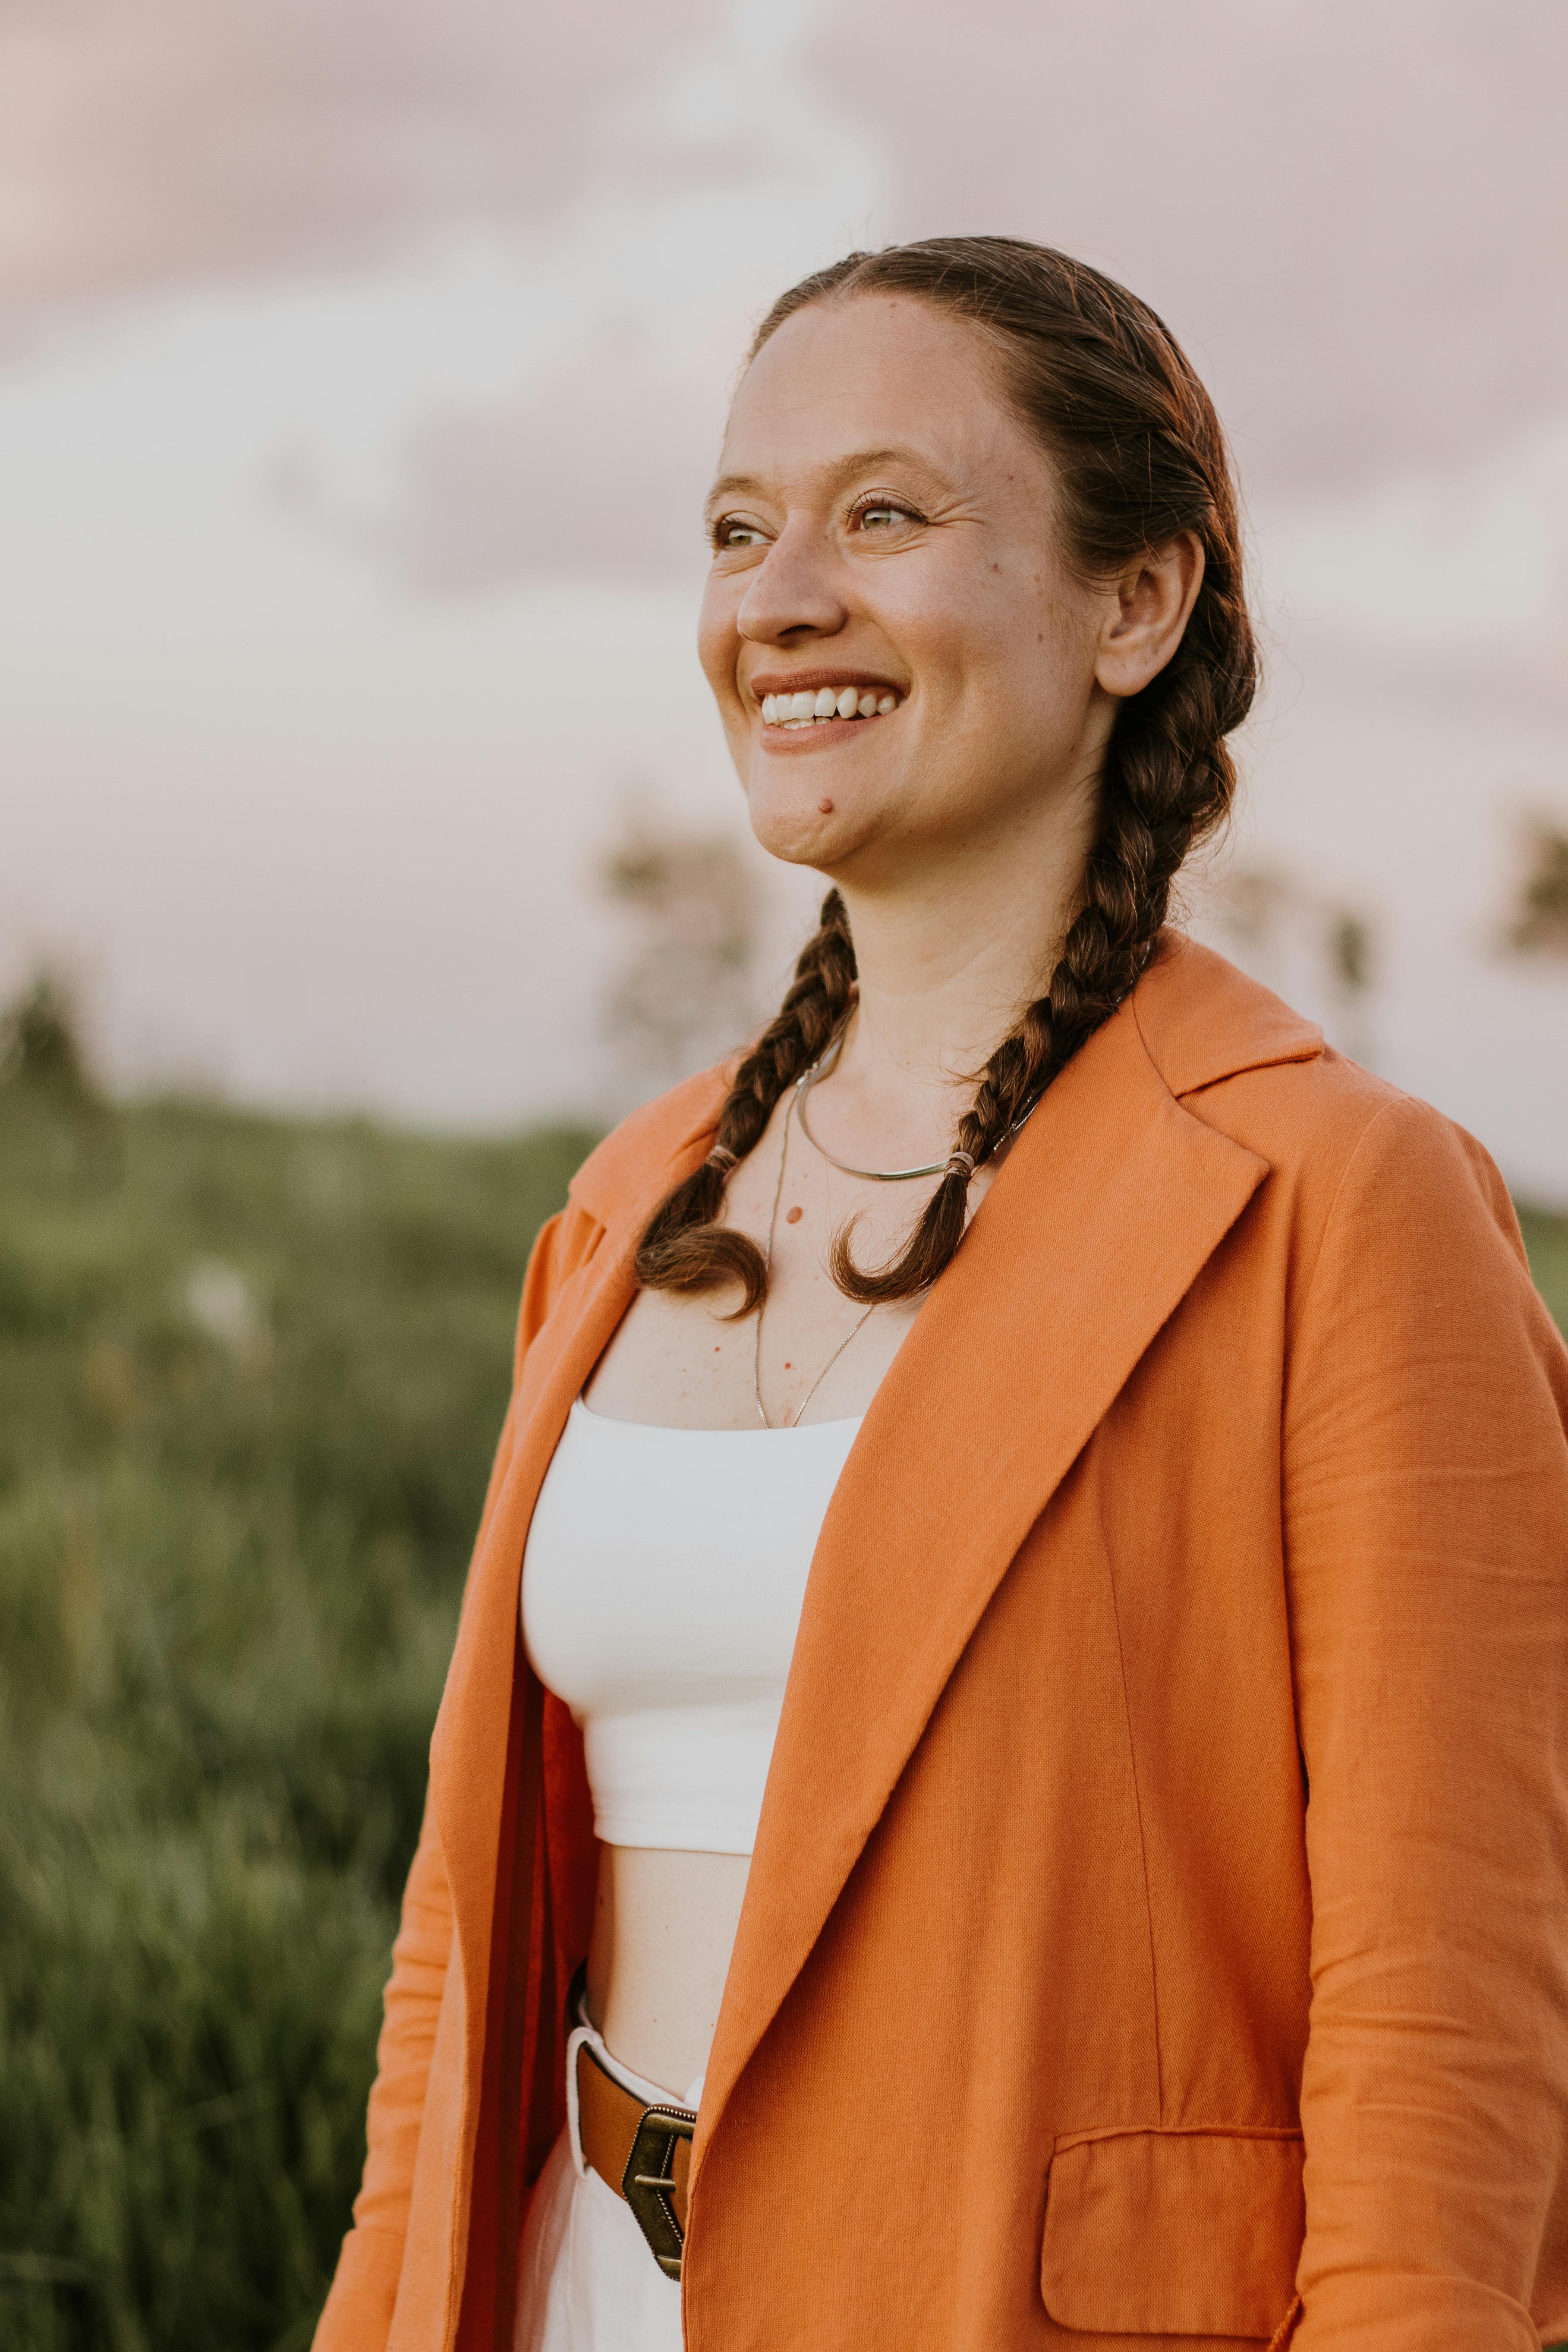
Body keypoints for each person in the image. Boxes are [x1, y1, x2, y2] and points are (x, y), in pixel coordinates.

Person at [312, 239, 1568, 2352]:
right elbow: (458, 1952)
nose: (776, 593)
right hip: (567, 2297)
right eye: (736, 528)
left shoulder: (1345, 1208)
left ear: (1135, 603)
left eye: (885, 512)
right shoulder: (630, 1202)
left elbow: (1448, 2042)